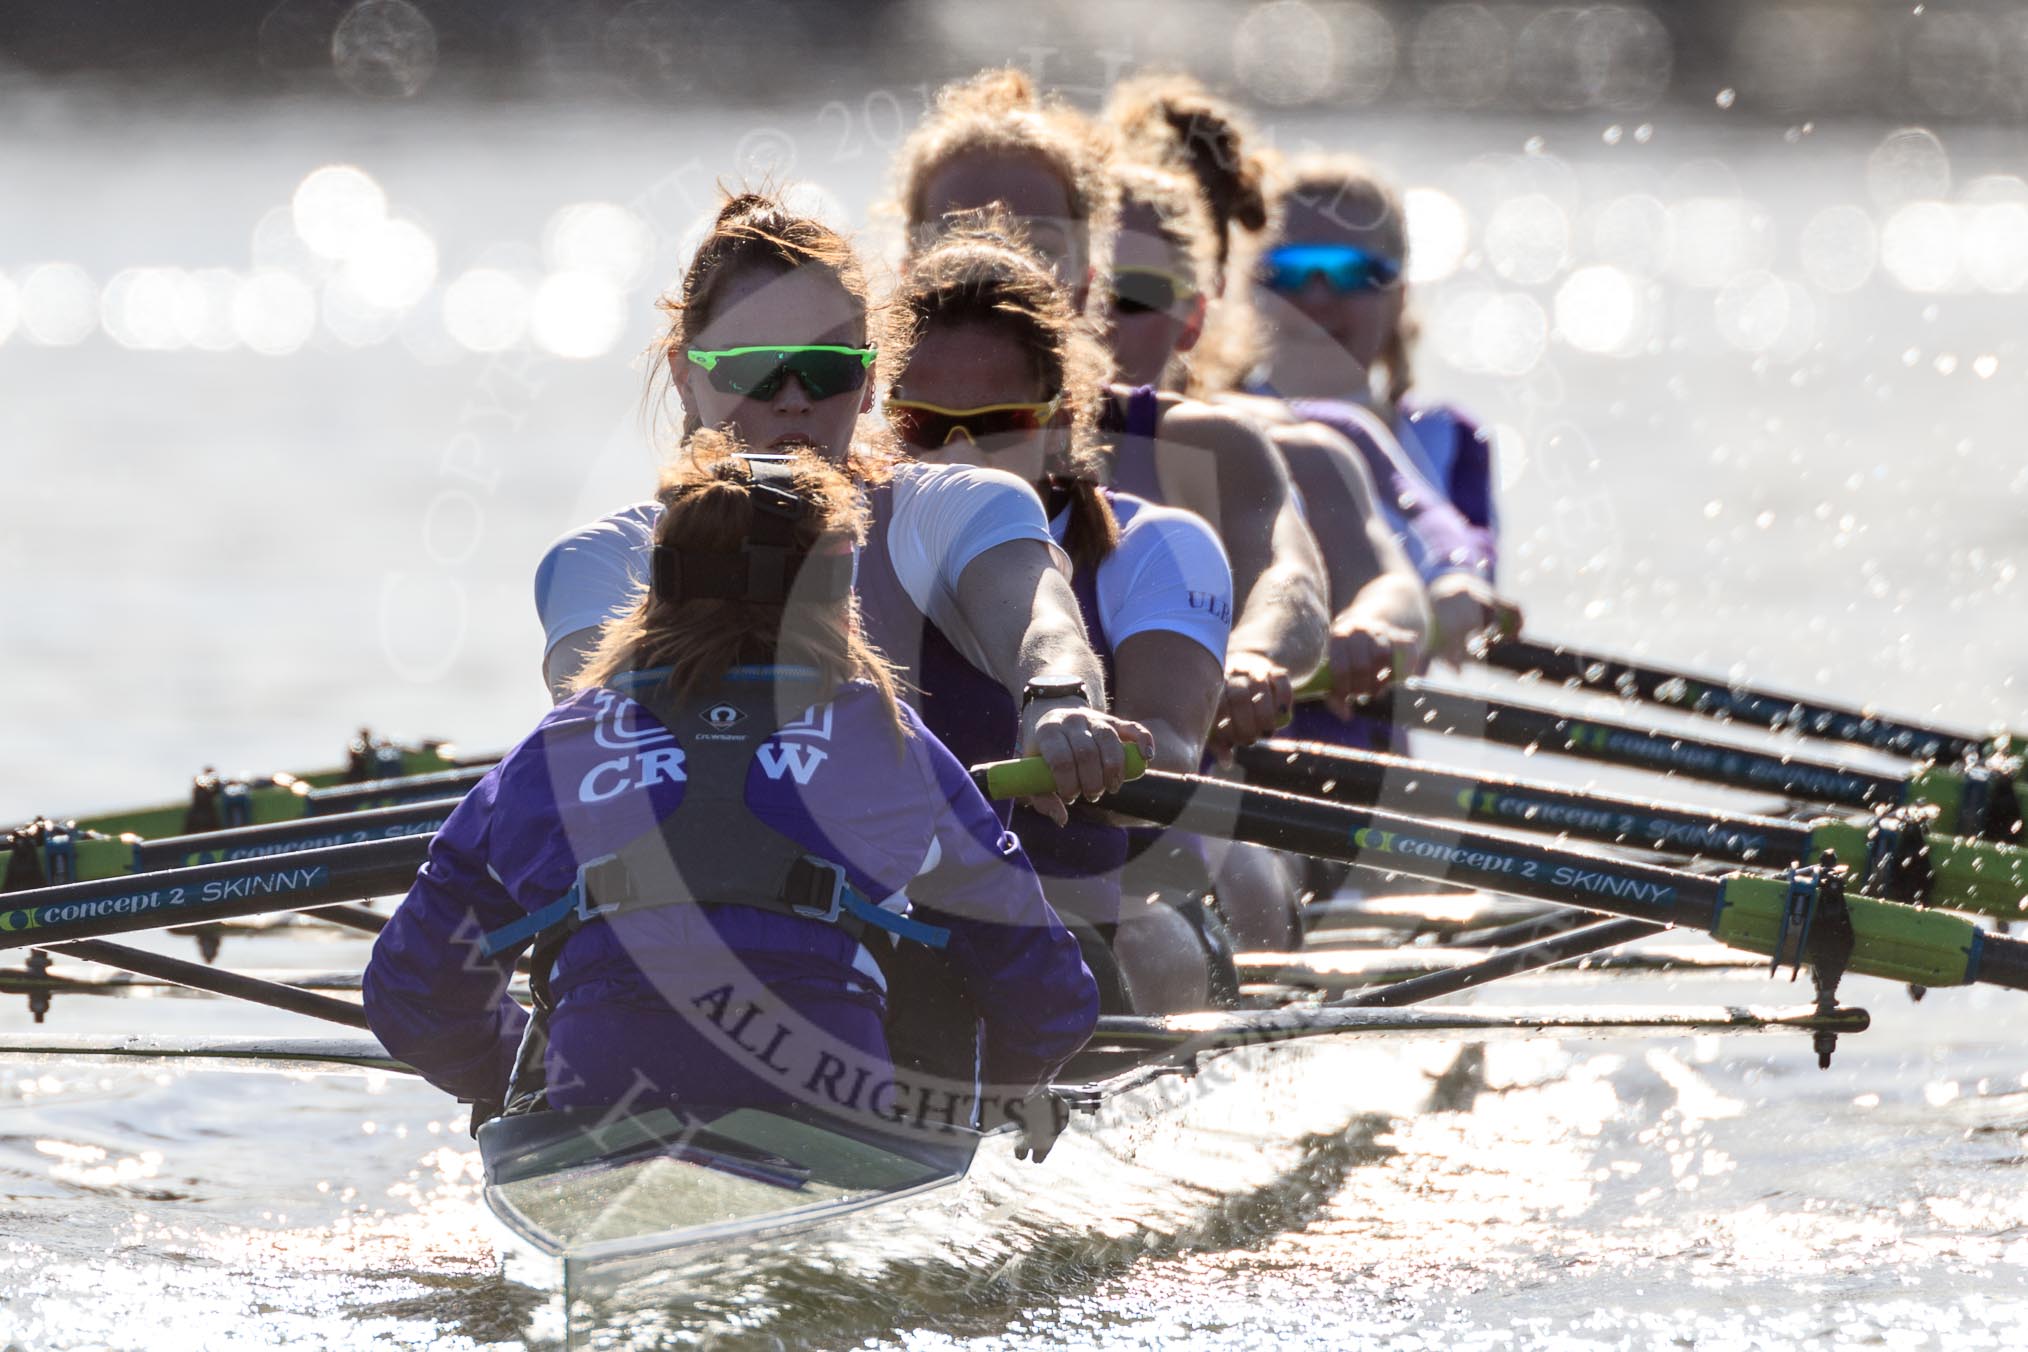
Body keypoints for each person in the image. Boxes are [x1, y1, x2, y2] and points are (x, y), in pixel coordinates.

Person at [364, 441, 1099, 1135]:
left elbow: (413, 995)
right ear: (838, 590)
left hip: (598, 1097)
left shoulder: (557, 747)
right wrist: (994, 1099)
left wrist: (510, 1080)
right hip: (832, 1109)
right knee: (945, 961)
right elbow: (1052, 997)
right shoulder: (886, 738)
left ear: (654, 583)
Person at [533, 191, 1151, 828]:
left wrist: (1057, 700)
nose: (795, 399)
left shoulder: (956, 509)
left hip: (941, 918)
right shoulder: (604, 559)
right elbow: (590, 740)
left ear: (869, 384)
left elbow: (1040, 624)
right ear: (687, 376)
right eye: (755, 369)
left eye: (827, 369)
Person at [892, 69, 1329, 761]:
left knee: (1241, 873)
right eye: (956, 231)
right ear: (906, 260)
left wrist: (1246, 656)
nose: (997, 257)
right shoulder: (846, 458)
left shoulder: (1202, 449)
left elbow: (1290, 583)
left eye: (1033, 236)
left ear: (1091, 272)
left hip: (1159, 836)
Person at [887, 218, 1236, 1010]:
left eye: (1000, 426)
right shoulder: (836, 549)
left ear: (1058, 417)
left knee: (1153, 939)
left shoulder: (1156, 547)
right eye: (925, 428)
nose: (960, 460)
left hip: (1096, 906)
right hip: (891, 913)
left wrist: (1091, 740)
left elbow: (1173, 746)